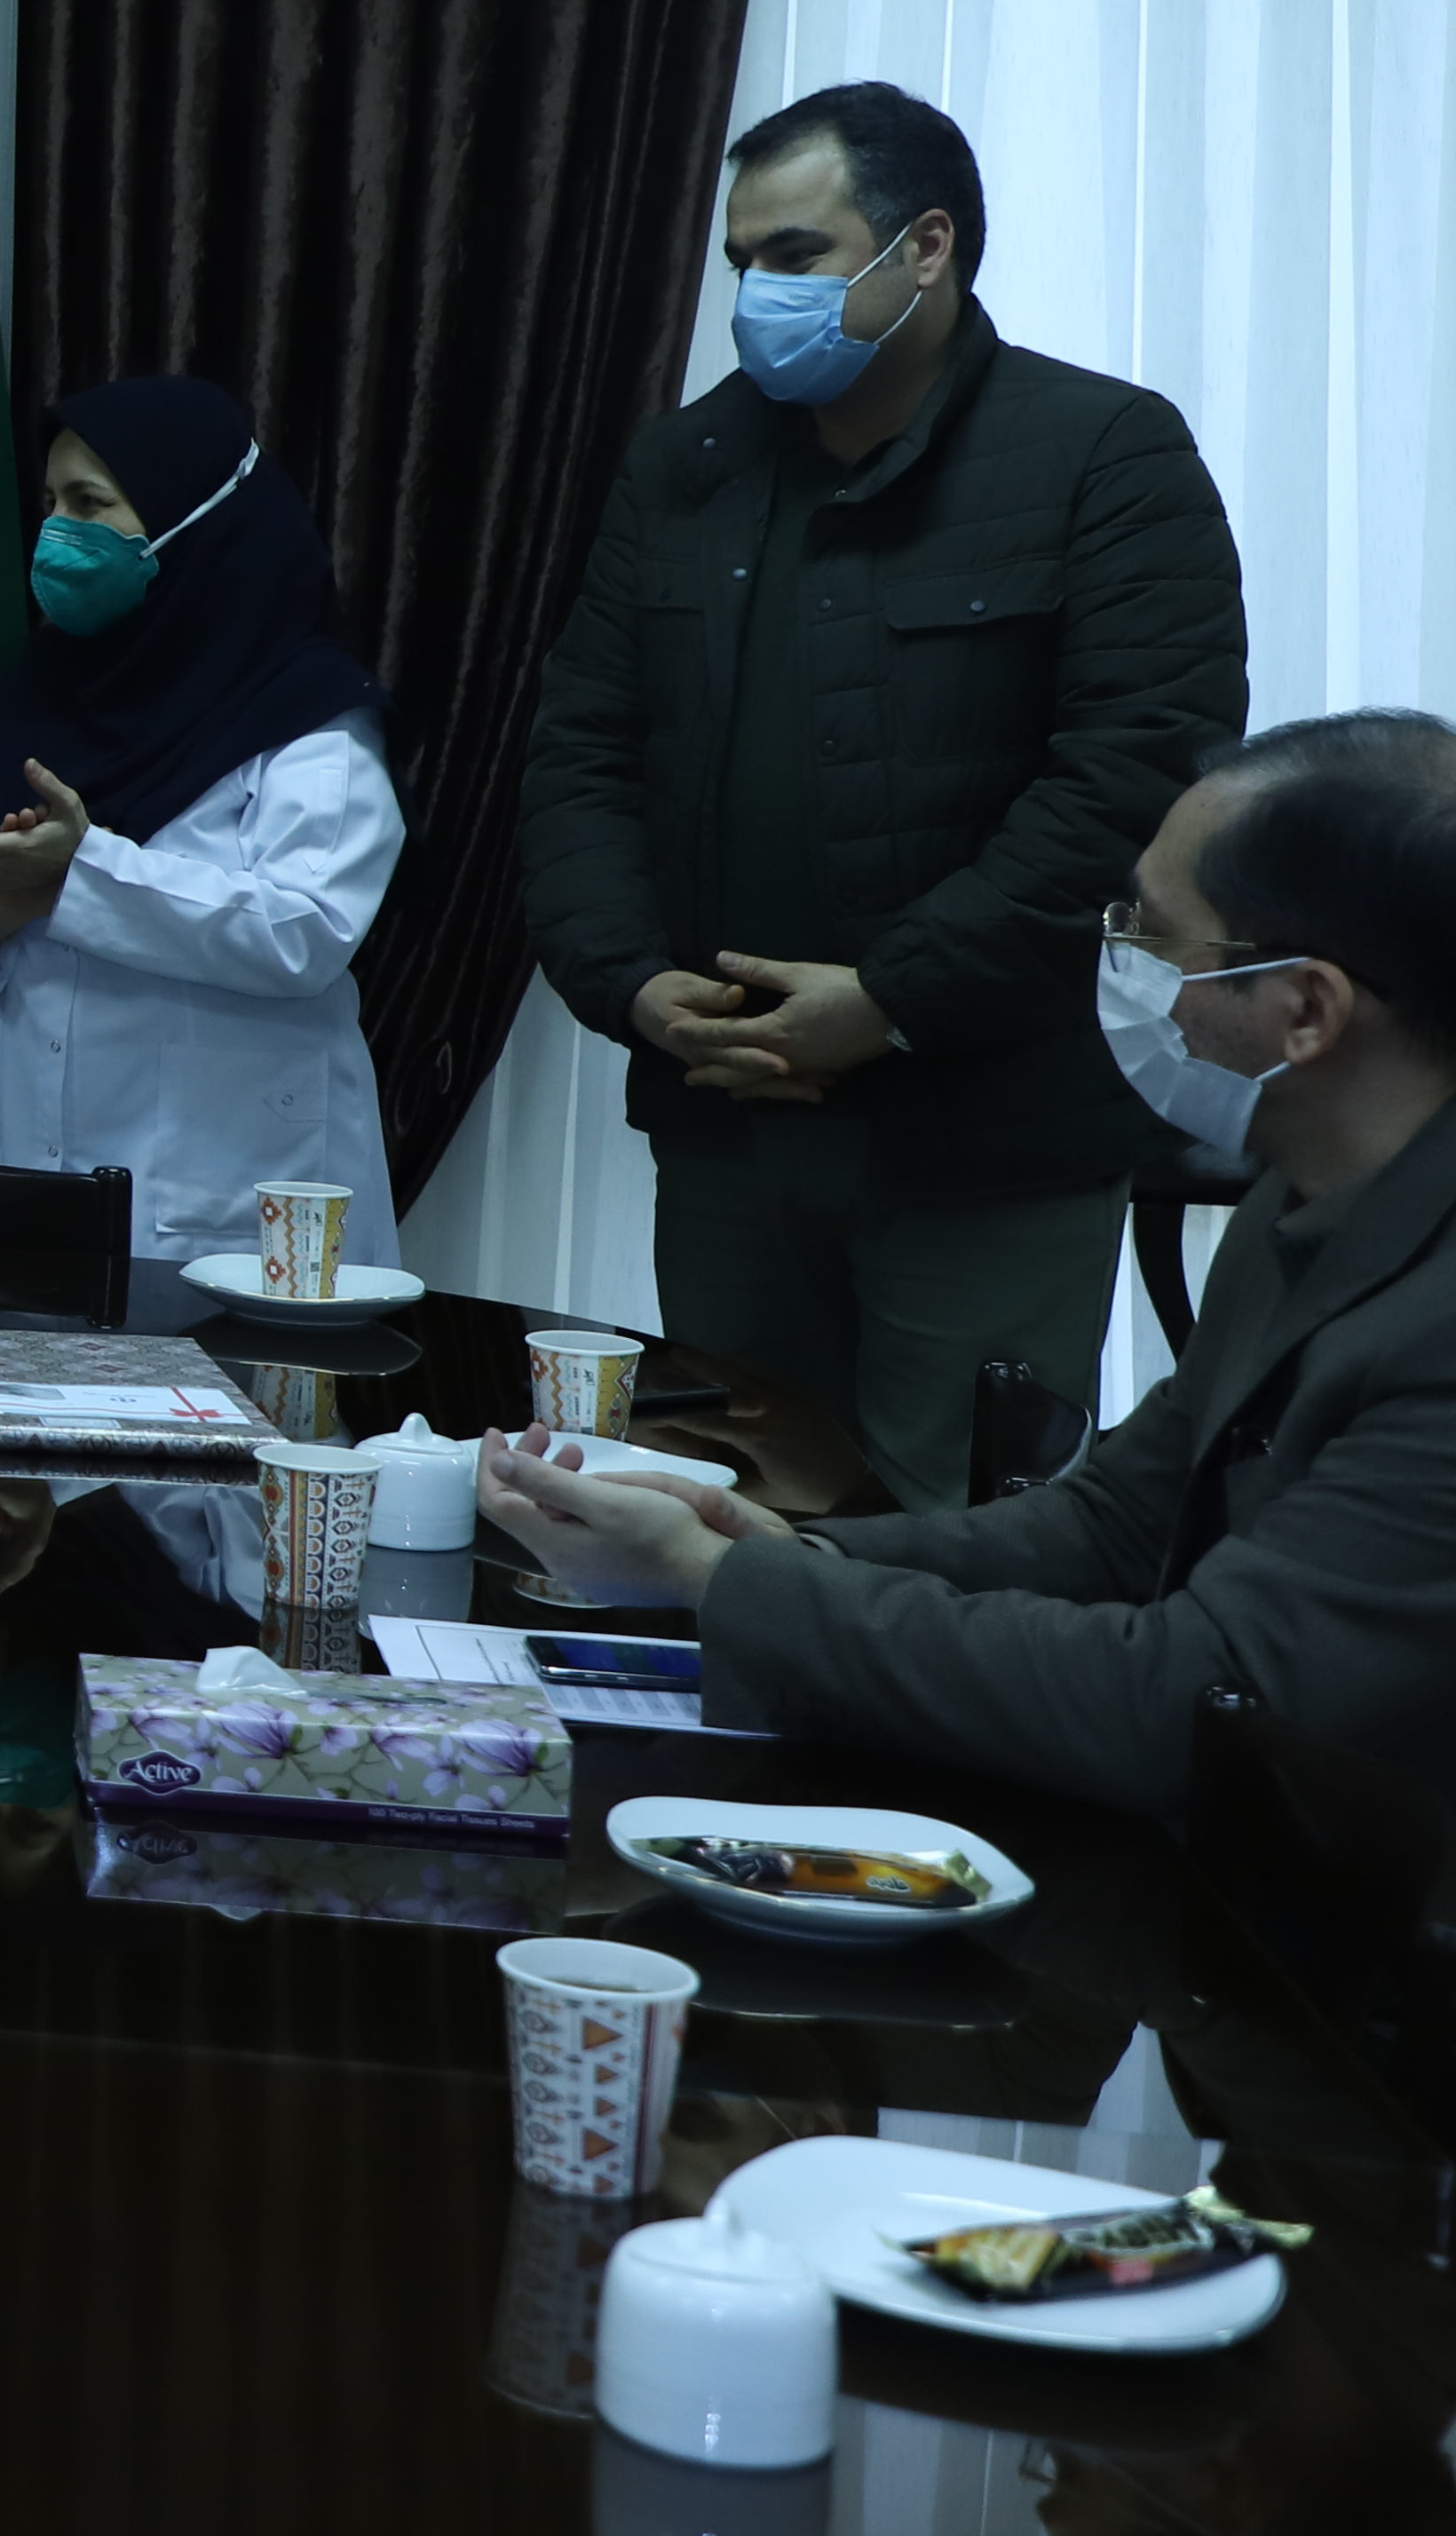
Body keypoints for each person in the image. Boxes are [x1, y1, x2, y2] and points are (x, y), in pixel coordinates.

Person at [479, 711, 1456, 1922]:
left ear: (1307, 1010)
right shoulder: (1321, 1177)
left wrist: (717, 1582)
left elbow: (1189, 1699)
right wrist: (772, 1553)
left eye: (1151, 932)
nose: (1115, 959)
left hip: (1402, 1979)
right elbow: (1119, 1526)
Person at [522, 82, 1246, 1509]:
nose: (757, 294)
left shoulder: (1103, 452)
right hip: (728, 1115)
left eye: (797, 254)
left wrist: (890, 999)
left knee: (955, 1542)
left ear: (926, 248)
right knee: (724, 1529)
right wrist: (633, 987)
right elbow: (581, 756)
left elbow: (1135, 781)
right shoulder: (685, 467)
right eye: (741, 261)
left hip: (987, 1132)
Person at [0, 376, 401, 1268]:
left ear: (193, 514)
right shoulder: (35, 693)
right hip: (12, 1197)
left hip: (229, 1216)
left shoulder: (309, 714)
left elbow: (306, 929)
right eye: (51, 503)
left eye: (90, 503)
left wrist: (78, 874)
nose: (58, 530)